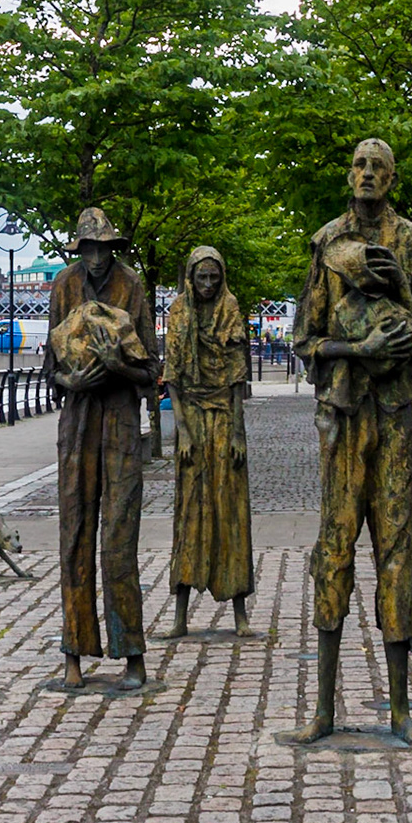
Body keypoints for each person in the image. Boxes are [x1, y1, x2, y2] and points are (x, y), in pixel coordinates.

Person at [288, 139, 412, 746]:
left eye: (378, 167)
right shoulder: (327, 243)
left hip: (395, 417)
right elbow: (305, 341)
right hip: (344, 419)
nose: (367, 174)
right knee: (335, 546)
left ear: (392, 178)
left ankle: (401, 711)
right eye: (359, 165)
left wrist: (400, 291)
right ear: (349, 174)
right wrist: (360, 351)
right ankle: (323, 709)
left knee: (398, 550)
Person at [45, 208, 158, 691]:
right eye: (87, 249)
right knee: (74, 535)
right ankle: (74, 650)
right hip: (77, 423)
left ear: (113, 249)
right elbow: (50, 365)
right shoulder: (63, 286)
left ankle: (131, 653)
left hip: (119, 422)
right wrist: (70, 379)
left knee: (118, 538)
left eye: (102, 249)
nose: (94, 258)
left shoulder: (132, 286)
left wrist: (117, 365)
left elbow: (152, 371)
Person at [165, 245, 252, 639]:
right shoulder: (179, 311)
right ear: (190, 277)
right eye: (201, 277)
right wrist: (181, 430)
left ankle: (240, 615)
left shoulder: (230, 307)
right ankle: (180, 615)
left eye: (214, 277)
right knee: (189, 513)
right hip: (193, 421)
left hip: (222, 419)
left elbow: (237, 377)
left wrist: (237, 432)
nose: (207, 284)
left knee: (230, 510)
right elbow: (174, 378)